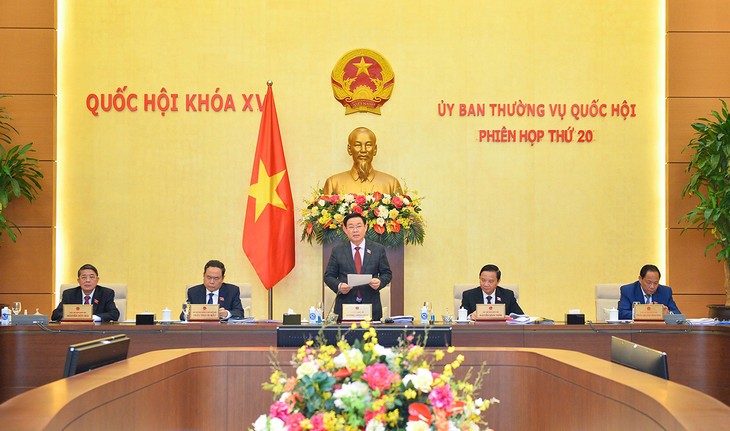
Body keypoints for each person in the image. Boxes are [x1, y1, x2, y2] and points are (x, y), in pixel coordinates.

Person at [324, 213, 392, 321]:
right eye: (351, 227)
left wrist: (379, 281)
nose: (355, 230)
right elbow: (328, 276)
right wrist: (339, 285)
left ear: (365, 227)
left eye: (359, 226)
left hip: (371, 307)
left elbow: (387, 274)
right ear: (345, 229)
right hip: (345, 307)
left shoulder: (378, 249)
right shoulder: (338, 250)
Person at [323, 127, 403, 195]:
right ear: (349, 149)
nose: (363, 150)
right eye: (357, 145)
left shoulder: (391, 184)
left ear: (375, 149)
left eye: (368, 145)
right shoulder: (333, 183)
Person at [51, 264, 120, 322]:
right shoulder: (69, 294)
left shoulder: (106, 293)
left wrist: (92, 317)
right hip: (74, 330)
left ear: (97, 280)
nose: (88, 280)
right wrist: (76, 317)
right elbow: (56, 314)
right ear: (78, 280)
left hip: (97, 331)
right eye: (84, 277)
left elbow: (114, 314)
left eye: (91, 277)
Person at [181, 260, 245, 320]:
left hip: (222, 330)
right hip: (201, 330)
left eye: (216, 278)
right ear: (204, 276)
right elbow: (183, 315)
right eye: (208, 277)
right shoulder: (194, 292)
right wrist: (188, 315)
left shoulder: (232, 291)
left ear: (222, 278)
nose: (212, 282)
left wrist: (227, 314)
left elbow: (239, 313)